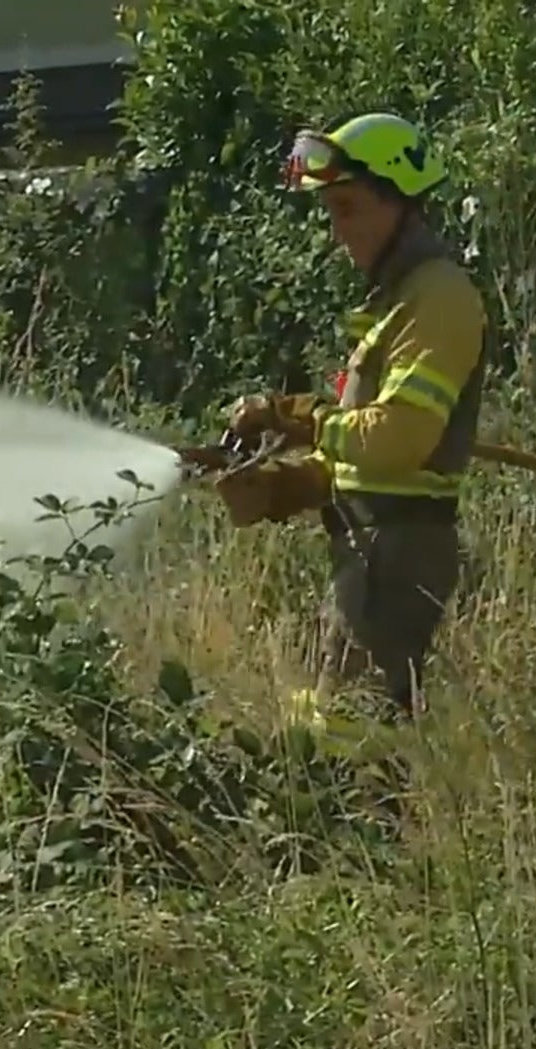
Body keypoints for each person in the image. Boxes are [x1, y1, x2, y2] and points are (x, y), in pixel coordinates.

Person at [213, 111, 489, 762]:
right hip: (373, 548)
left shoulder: (440, 297)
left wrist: (301, 422)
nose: (337, 231)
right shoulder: (402, 298)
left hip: (396, 555)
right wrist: (296, 485)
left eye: (348, 208)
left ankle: (367, 830)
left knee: (353, 747)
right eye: (330, 212)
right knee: (335, 730)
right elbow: (376, 457)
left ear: (401, 201)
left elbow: (400, 438)